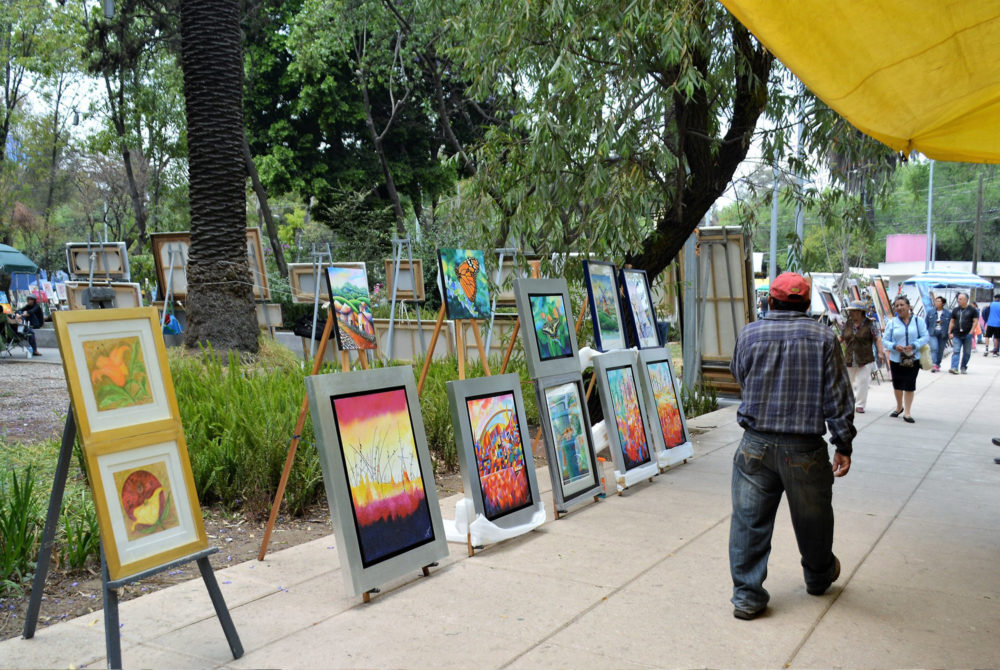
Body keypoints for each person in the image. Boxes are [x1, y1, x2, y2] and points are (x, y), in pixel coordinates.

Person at [728, 272, 854, 620]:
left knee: (749, 524)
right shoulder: (824, 338)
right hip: (805, 449)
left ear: (771, 301)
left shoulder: (750, 333)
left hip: (755, 445)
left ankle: (747, 596)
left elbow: (739, 374)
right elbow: (839, 397)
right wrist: (843, 444)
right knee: (814, 521)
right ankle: (818, 576)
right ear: (807, 303)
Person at [882, 295, 928, 422]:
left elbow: (925, 337)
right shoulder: (892, 323)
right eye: (897, 305)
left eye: (902, 305)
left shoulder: (918, 321)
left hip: (913, 358)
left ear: (908, 306)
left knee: (909, 384)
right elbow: (885, 340)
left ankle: (907, 412)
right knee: (897, 384)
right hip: (896, 358)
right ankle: (899, 407)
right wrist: (894, 346)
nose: (899, 307)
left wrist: (914, 345)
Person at [839, 300, 887, 413]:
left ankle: (860, 404)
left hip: (865, 358)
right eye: (850, 311)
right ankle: (848, 402)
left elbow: (878, 338)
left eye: (854, 311)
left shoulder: (871, 324)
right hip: (850, 357)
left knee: (862, 382)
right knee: (846, 382)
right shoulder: (847, 324)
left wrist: (880, 352)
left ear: (860, 312)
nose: (851, 313)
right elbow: (841, 337)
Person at [948, 293, 979, 374]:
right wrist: (950, 331)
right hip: (957, 334)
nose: (959, 300)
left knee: (967, 352)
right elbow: (952, 321)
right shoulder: (955, 310)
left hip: (967, 334)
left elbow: (975, 321)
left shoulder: (972, 310)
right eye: (958, 299)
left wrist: (971, 331)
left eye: (961, 299)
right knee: (956, 351)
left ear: (966, 300)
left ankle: (963, 366)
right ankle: (954, 367)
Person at [925, 295, 951, 372]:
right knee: (934, 348)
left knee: (940, 350)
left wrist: (950, 333)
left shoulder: (948, 313)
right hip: (932, 333)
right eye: (936, 301)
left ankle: (938, 364)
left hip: (943, 334)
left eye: (939, 301)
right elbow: (926, 323)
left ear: (943, 303)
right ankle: (934, 364)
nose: (937, 303)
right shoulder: (930, 312)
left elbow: (951, 324)